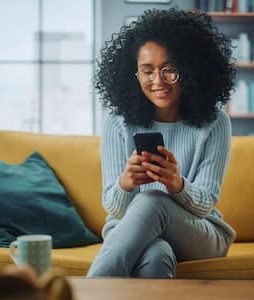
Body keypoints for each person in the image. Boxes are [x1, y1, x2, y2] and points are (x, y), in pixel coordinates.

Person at [87, 7, 236, 279]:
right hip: (129, 231)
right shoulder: (117, 123)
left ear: (190, 70)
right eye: (147, 71)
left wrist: (176, 184)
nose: (158, 81)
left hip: (199, 233)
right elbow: (115, 208)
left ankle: (84, 294)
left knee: (153, 200)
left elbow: (204, 205)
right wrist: (126, 183)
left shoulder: (215, 123)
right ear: (134, 75)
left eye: (169, 70)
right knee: (157, 255)